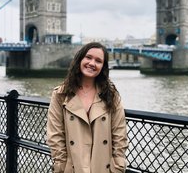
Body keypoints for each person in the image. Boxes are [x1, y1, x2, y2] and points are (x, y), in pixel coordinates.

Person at [47, 42, 128, 173]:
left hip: (103, 168)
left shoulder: (111, 96)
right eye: (88, 57)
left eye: (98, 61)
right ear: (80, 59)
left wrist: (118, 166)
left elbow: (119, 134)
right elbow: (55, 135)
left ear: (103, 67)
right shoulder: (60, 95)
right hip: (72, 167)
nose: (92, 63)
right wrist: (61, 164)